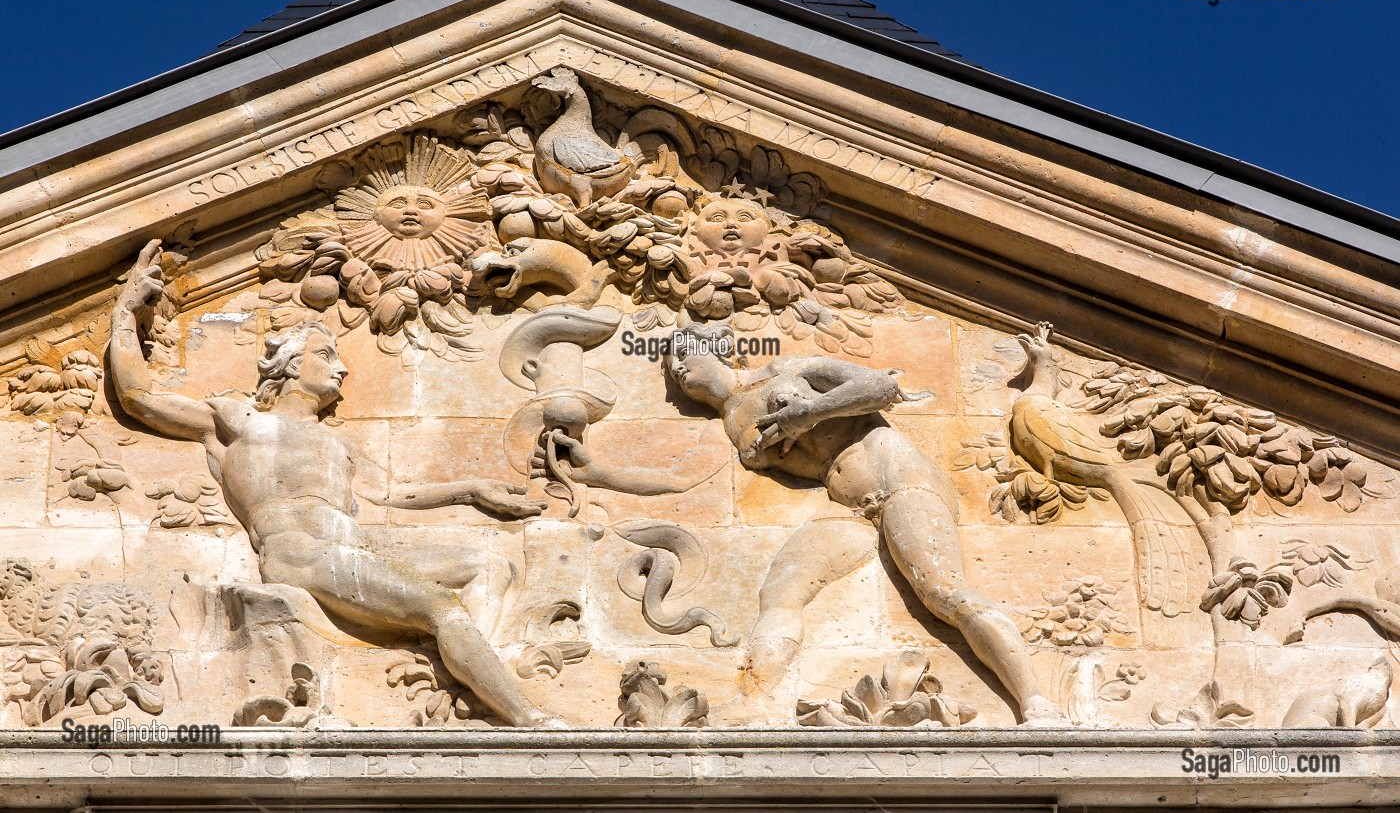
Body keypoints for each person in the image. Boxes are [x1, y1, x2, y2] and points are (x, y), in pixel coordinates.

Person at [109, 241, 562, 728]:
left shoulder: (336, 444)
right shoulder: (239, 419)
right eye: (326, 355)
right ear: (288, 363)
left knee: (490, 565)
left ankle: (468, 671)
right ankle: (526, 715)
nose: (342, 369)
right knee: (440, 606)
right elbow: (140, 396)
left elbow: (392, 496)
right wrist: (127, 311)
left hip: (355, 544)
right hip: (300, 549)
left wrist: (472, 490)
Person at [544, 324, 1062, 724]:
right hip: (852, 507)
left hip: (897, 477)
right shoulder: (732, 424)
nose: (680, 371)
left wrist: (806, 414)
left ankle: (1035, 700)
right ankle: (757, 703)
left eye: (686, 356)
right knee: (781, 591)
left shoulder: (785, 372)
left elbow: (878, 388)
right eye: (674, 368)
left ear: (723, 354)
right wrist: (598, 471)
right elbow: (684, 481)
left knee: (944, 593)